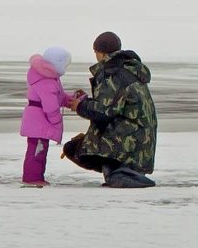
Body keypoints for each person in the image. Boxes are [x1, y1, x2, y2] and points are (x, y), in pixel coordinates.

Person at [63, 31, 158, 188]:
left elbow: (105, 112)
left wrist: (80, 105)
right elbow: (114, 105)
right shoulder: (129, 69)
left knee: (74, 148)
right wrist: (86, 101)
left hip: (128, 143)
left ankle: (118, 173)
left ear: (99, 52)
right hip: (141, 144)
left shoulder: (112, 73)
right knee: (82, 144)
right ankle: (124, 171)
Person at [19, 46, 72, 187]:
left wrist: (73, 100)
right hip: (39, 122)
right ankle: (32, 178)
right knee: (37, 151)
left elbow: (59, 97)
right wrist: (55, 121)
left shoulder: (49, 78)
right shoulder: (47, 81)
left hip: (39, 121)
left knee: (40, 150)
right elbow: (51, 106)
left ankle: (37, 176)